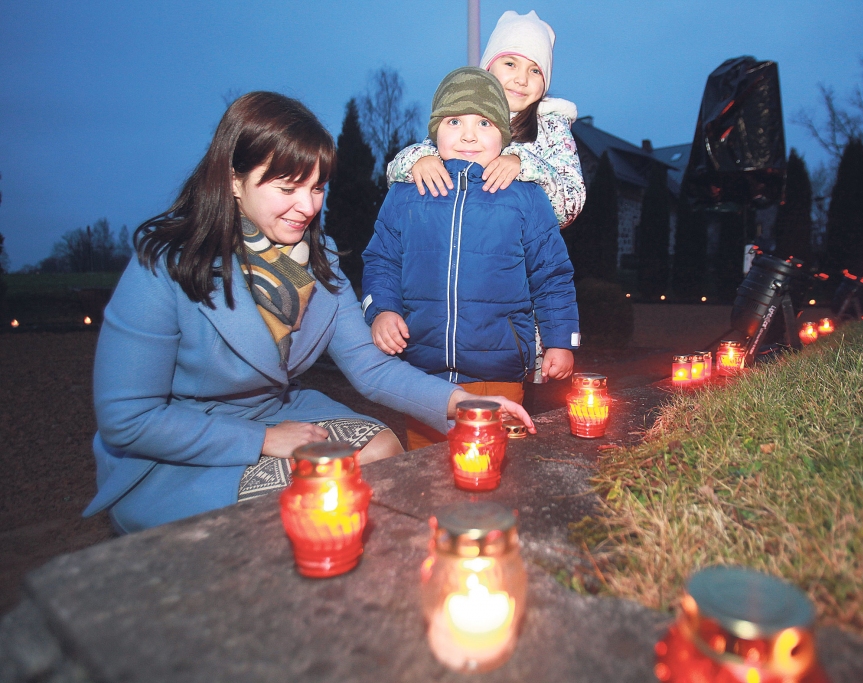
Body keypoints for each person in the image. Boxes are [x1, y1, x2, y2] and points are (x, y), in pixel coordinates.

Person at [82, 91, 534, 533]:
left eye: (317, 187)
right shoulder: (165, 265)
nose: (308, 206)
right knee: (324, 491)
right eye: (288, 188)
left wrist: (462, 403)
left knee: (384, 455)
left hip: (277, 412)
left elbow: (370, 368)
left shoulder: (319, 259)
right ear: (234, 181)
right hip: (177, 446)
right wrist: (261, 442)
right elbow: (129, 420)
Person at [362, 67, 580, 449]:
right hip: (421, 374)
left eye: (483, 122)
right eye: (453, 121)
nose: (468, 134)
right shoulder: (406, 192)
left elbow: (552, 276)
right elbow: (382, 260)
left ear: (504, 135)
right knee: (426, 473)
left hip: (496, 369)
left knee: (493, 465)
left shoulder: (525, 196)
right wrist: (381, 309)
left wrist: (562, 340)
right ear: (435, 130)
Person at [387, 9, 585, 228]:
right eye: (510, 64)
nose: (521, 79)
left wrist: (524, 165)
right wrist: (420, 159)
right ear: (488, 68)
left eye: (535, 70)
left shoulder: (551, 128)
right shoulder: (463, 111)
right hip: (456, 245)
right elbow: (394, 173)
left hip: (515, 253)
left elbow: (570, 206)